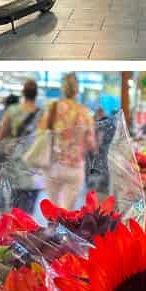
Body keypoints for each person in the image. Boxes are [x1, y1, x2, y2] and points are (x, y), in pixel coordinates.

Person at [39, 73, 97, 210]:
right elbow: (91, 144)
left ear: (62, 89)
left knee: (52, 211)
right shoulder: (84, 112)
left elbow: (40, 134)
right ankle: (64, 230)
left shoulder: (52, 108)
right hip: (75, 167)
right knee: (67, 211)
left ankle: (53, 228)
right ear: (77, 90)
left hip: (53, 165)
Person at [0, 80, 42, 214]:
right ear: (36, 94)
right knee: (29, 204)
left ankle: (15, 228)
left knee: (15, 201)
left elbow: (1, 135)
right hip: (34, 161)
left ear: (23, 93)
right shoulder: (43, 114)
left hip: (15, 160)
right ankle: (25, 227)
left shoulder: (12, 110)